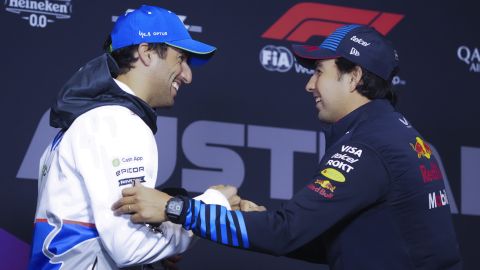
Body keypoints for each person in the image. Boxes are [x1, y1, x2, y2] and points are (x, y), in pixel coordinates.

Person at [112, 24, 463, 269]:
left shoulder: (368, 144)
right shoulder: (394, 132)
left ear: (354, 77)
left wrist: (176, 209)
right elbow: (346, 245)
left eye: (319, 72)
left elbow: (286, 233)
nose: (310, 85)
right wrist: (259, 219)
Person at [28, 5, 236, 270]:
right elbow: (129, 247)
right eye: (181, 58)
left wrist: (161, 239)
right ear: (146, 52)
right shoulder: (120, 123)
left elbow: (104, 237)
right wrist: (213, 206)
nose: (188, 75)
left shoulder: (87, 119)